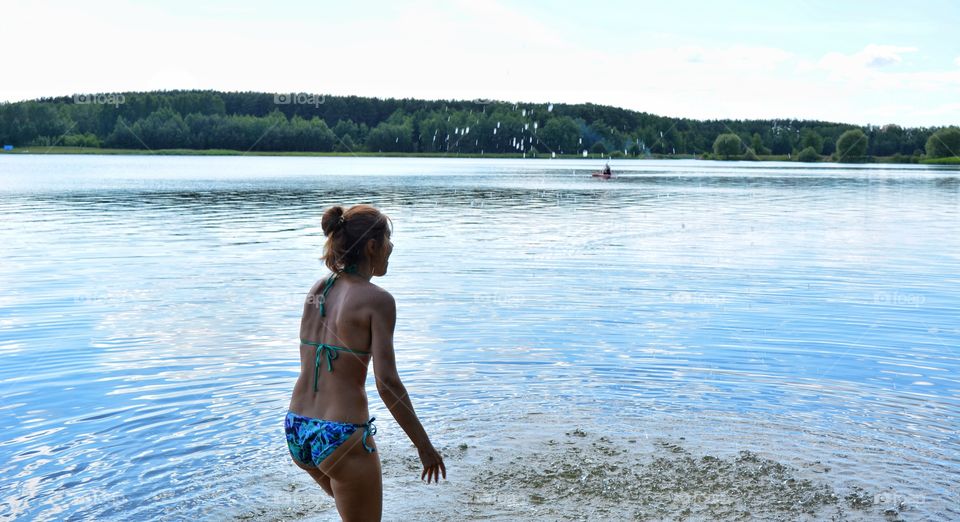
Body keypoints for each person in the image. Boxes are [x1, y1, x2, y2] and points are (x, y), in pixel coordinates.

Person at [285, 204, 445, 521]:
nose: (392, 247)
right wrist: (424, 446)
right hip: (340, 434)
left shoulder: (318, 290)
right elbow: (387, 383)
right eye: (388, 240)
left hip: (298, 429)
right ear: (372, 246)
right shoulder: (377, 300)